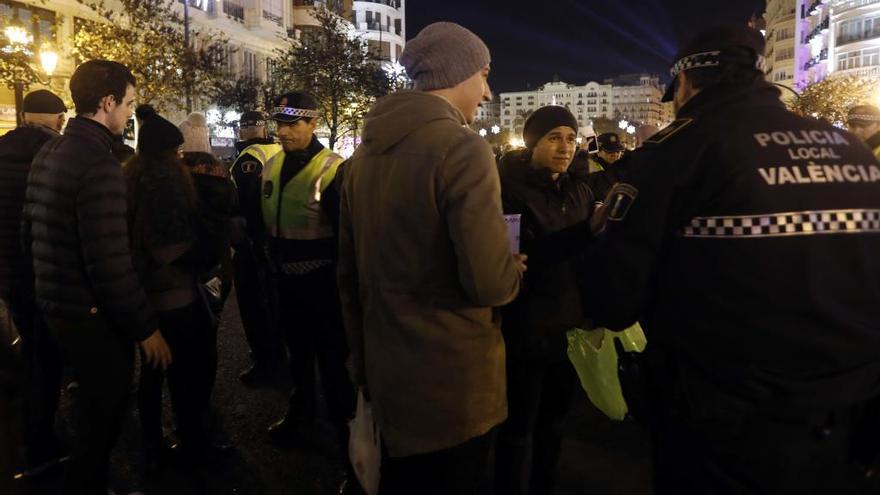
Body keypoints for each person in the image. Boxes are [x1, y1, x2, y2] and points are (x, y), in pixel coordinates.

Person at [582, 24, 880, 494]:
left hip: (726, 419)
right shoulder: (853, 151)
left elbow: (613, 297)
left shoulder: (678, 152)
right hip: (849, 412)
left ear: (685, 82)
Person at [338, 22, 526, 494]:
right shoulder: (462, 149)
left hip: (387, 373)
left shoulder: (363, 157)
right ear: (459, 72)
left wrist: (361, 365)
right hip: (450, 384)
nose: (486, 93)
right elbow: (488, 283)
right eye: (484, 75)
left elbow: (348, 274)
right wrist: (511, 273)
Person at [22, 60, 172, 495]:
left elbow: (27, 233)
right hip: (90, 317)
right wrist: (146, 329)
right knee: (101, 418)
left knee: (89, 411)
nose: (129, 114)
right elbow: (109, 262)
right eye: (127, 104)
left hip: (55, 306)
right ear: (106, 103)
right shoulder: (100, 164)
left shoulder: (51, 151)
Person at [495, 106, 595, 495]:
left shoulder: (580, 189)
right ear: (533, 142)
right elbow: (515, 262)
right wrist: (587, 234)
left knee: (555, 423)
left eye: (571, 138)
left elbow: (587, 257)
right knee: (518, 425)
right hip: (526, 327)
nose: (565, 147)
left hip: (569, 329)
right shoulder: (508, 192)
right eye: (554, 137)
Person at [259, 91, 357, 487]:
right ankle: (299, 419)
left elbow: (348, 236)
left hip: (324, 284)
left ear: (313, 123)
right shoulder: (270, 164)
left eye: (293, 124)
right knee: (297, 358)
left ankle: (352, 455)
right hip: (284, 280)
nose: (285, 132)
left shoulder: (334, 169)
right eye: (280, 124)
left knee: (335, 370)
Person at [0, 89, 67, 474]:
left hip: (8, 273)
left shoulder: (3, 147)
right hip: (41, 268)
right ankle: (41, 438)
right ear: (56, 117)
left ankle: (26, 427)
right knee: (47, 354)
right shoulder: (53, 153)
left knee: (25, 349)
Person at [228, 111, 283, 385]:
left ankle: (265, 362)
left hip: (254, 244)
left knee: (254, 305)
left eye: (243, 126)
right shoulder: (278, 149)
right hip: (278, 238)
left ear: (251, 128)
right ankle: (278, 354)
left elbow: (248, 203)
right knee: (274, 303)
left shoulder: (249, 158)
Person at [585, 131, 626, 201]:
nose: (615, 154)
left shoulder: (623, 168)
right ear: (598, 152)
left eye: (618, 151)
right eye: (610, 151)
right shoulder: (591, 171)